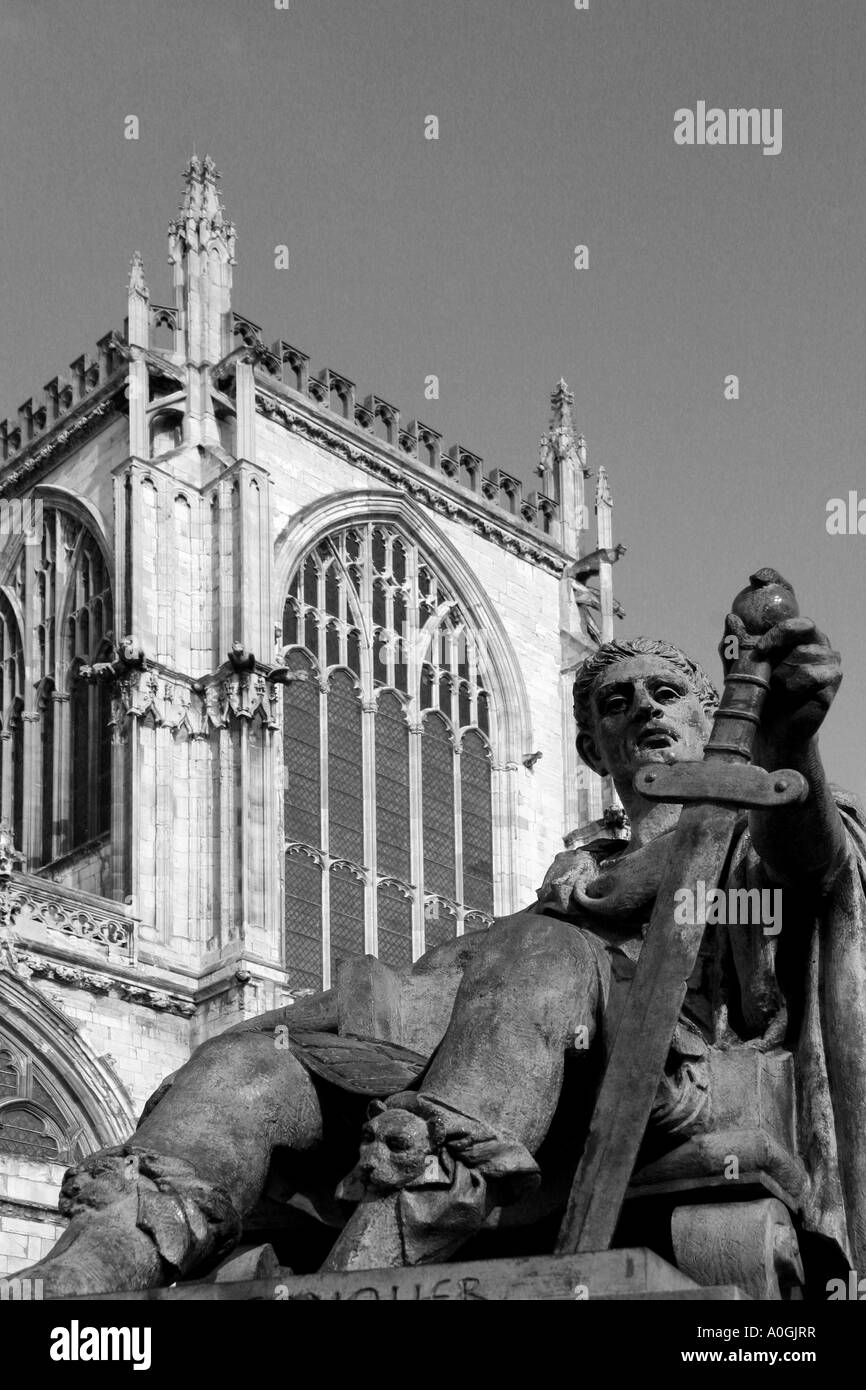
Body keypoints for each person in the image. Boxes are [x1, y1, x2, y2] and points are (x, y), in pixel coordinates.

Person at [11, 594, 866, 1294]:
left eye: (665, 694)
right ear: (589, 747)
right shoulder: (567, 884)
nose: (642, 707)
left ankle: (369, 1274)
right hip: (506, 1059)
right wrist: (281, 1031)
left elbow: (817, 864)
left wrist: (790, 746)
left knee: (544, 955)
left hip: (671, 1078)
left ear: (707, 714)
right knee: (250, 1067)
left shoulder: (746, 833)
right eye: (616, 700)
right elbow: (422, 990)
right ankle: (83, 1284)